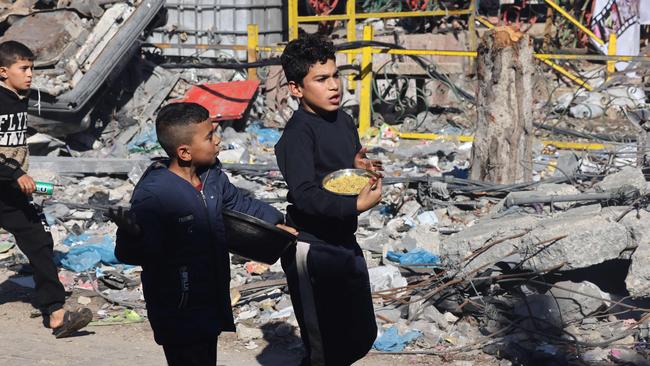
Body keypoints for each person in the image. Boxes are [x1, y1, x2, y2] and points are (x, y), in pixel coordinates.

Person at [109, 102, 296, 366]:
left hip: (210, 296)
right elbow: (133, 253)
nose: (217, 141)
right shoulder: (154, 194)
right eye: (209, 137)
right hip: (176, 304)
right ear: (184, 152)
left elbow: (240, 205)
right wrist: (131, 233)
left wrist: (276, 223)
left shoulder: (211, 178)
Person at [274, 33, 383, 366]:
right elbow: (304, 193)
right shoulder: (297, 134)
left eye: (335, 75)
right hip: (312, 249)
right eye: (321, 79)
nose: (334, 86)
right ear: (296, 88)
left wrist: (359, 166)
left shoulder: (344, 121)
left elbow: (341, 168)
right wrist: (354, 206)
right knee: (325, 350)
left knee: (362, 334)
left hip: (343, 241)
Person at [0, 40, 92, 338]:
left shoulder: (20, 97)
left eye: (31, 69)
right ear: (3, 71)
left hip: (10, 190)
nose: (30, 75)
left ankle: (56, 313)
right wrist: (14, 172)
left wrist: (20, 175)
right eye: (23, 69)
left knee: (39, 242)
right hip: (8, 180)